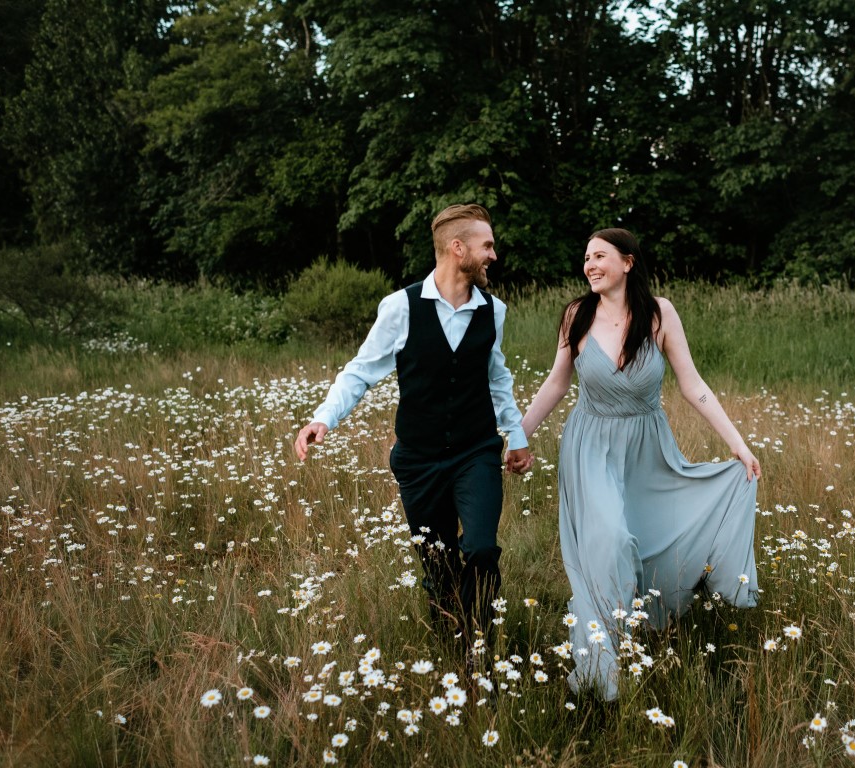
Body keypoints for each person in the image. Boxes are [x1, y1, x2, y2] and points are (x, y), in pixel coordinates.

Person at [519, 228, 761, 701]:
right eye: (585, 256)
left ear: (627, 263)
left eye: (600, 256)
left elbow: (693, 385)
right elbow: (555, 384)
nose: (589, 264)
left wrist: (738, 444)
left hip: (647, 447)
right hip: (590, 446)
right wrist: (516, 436)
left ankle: (636, 629)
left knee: (647, 538)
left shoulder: (659, 313)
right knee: (608, 538)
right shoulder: (576, 315)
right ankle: (601, 666)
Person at [295, 203, 533, 651]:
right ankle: (449, 640)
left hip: (476, 451)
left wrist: (515, 438)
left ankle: (476, 648)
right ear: (457, 248)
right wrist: (322, 418)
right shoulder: (400, 307)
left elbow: (497, 378)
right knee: (439, 562)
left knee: (480, 548)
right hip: (419, 461)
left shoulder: (493, 310)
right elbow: (361, 371)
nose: (493, 256)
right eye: (487, 246)